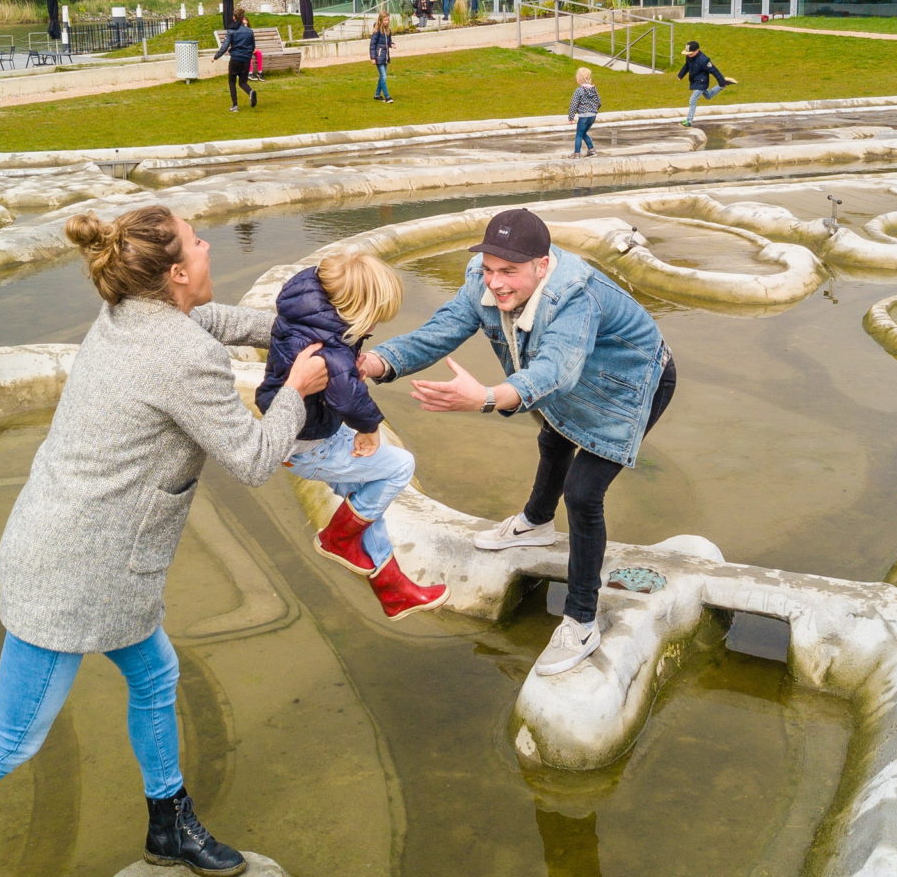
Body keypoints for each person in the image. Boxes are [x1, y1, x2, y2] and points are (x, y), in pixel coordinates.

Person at [0, 206, 330, 877]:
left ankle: (168, 824)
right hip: (80, 574)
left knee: (155, 673)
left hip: (80, 549)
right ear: (175, 273)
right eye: (198, 243)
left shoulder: (131, 317)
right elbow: (253, 459)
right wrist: (300, 391)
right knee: (14, 737)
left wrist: (301, 329)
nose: (207, 249)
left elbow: (217, 320)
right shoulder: (182, 355)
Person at [357, 208, 676, 677]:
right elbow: (441, 330)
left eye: (509, 271)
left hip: (630, 382)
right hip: (577, 375)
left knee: (585, 493)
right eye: (489, 269)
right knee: (553, 440)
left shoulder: (576, 297)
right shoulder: (484, 283)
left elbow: (554, 373)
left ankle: (582, 619)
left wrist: (486, 399)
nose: (496, 283)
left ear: (542, 266)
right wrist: (379, 362)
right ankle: (536, 523)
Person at [256, 253, 448, 618]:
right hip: (312, 444)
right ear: (358, 308)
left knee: (364, 502)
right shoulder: (329, 347)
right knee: (398, 467)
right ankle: (338, 538)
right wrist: (370, 429)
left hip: (299, 434)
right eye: (374, 318)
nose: (374, 326)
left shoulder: (305, 312)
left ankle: (394, 590)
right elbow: (348, 396)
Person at [673, 39, 733, 126]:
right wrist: (680, 75)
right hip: (695, 80)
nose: (689, 55)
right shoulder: (689, 56)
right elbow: (686, 66)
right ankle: (725, 83)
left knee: (692, 100)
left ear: (697, 51)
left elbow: (714, 71)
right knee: (708, 96)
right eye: (688, 53)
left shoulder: (704, 60)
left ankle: (689, 121)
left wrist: (720, 80)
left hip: (702, 82)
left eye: (691, 53)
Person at [214, 8, 257, 112]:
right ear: (243, 18)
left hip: (235, 60)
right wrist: (247, 55)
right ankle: (250, 92)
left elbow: (224, 46)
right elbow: (253, 46)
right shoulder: (249, 31)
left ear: (234, 17)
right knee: (243, 82)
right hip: (246, 60)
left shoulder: (231, 31)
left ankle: (235, 106)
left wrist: (216, 56)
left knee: (232, 82)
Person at [568, 66, 601, 157]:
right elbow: (599, 101)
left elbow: (573, 104)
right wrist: (594, 111)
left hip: (583, 116)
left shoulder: (579, 90)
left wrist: (571, 117)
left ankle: (576, 153)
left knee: (579, 134)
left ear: (578, 79)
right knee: (583, 133)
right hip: (592, 116)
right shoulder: (594, 90)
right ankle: (591, 150)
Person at [369, 11, 395, 103]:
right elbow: (372, 45)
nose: (387, 21)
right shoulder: (377, 31)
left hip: (385, 57)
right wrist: (373, 58)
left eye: (388, 20)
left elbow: (389, 42)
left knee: (382, 77)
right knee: (384, 77)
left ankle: (377, 94)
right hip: (378, 57)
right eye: (385, 20)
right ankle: (387, 96)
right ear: (381, 20)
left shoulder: (388, 31)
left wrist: (392, 44)